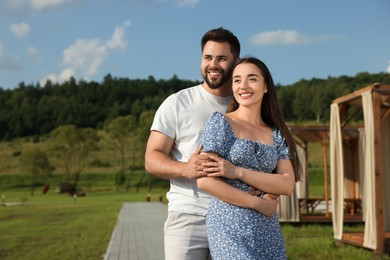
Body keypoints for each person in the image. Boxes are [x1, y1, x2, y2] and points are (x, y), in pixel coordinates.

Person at [144, 28, 279, 260]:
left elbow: (270, 155)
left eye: (222, 58)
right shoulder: (177, 103)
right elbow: (151, 158)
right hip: (189, 216)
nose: (213, 64)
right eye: (207, 57)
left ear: (236, 61)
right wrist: (186, 168)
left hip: (241, 216)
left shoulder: (249, 103)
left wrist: (269, 193)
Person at [197, 57, 302, 259]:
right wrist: (256, 203)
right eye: (237, 80)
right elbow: (205, 181)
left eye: (252, 79)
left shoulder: (277, 132)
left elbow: (286, 184)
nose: (243, 86)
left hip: (267, 227)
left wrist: (237, 172)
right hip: (229, 225)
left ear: (265, 87)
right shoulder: (220, 123)